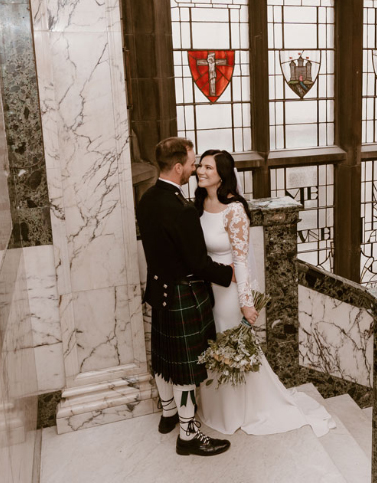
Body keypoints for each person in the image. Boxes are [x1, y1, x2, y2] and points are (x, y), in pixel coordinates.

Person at [194, 149, 335, 437]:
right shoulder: (200, 203)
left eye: (208, 167)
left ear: (222, 174)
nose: (200, 171)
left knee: (230, 350)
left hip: (230, 294)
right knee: (213, 347)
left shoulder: (234, 210)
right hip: (207, 290)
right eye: (199, 166)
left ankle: (241, 411)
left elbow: (242, 259)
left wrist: (246, 304)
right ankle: (215, 408)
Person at [136, 137, 233, 457]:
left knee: (164, 360)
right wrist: (227, 274)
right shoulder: (182, 210)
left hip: (158, 290)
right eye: (192, 163)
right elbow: (197, 262)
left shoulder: (147, 199)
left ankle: (168, 415)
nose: (194, 168)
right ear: (178, 167)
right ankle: (188, 434)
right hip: (183, 294)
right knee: (186, 371)